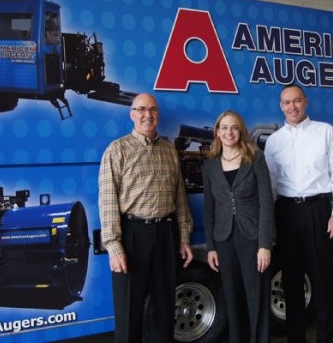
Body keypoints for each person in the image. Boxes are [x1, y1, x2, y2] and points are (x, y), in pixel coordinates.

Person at [98, 93, 194, 343]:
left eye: (152, 109)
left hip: (166, 234)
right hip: (132, 236)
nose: (147, 114)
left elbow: (180, 197)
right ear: (131, 114)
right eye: (140, 109)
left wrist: (184, 237)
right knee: (129, 313)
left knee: (164, 309)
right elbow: (107, 201)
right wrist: (114, 246)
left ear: (157, 115)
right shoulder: (117, 150)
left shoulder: (169, 149)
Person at [264, 84, 333, 343]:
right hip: (286, 212)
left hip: (318, 211)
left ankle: (327, 338)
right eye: (287, 102)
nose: (292, 107)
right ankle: (295, 338)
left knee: (322, 281)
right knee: (292, 282)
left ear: (305, 102)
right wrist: (272, 223)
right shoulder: (274, 141)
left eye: (296, 101)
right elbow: (271, 184)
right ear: (281, 106)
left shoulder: (325, 132)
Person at [203, 110, 274, 343]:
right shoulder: (211, 165)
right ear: (217, 132)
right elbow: (209, 209)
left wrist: (265, 245)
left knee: (256, 297)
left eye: (234, 127)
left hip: (252, 239)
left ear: (241, 130)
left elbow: (266, 202)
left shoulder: (255, 158)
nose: (229, 132)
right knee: (232, 298)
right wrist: (211, 247)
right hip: (223, 239)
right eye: (224, 127)